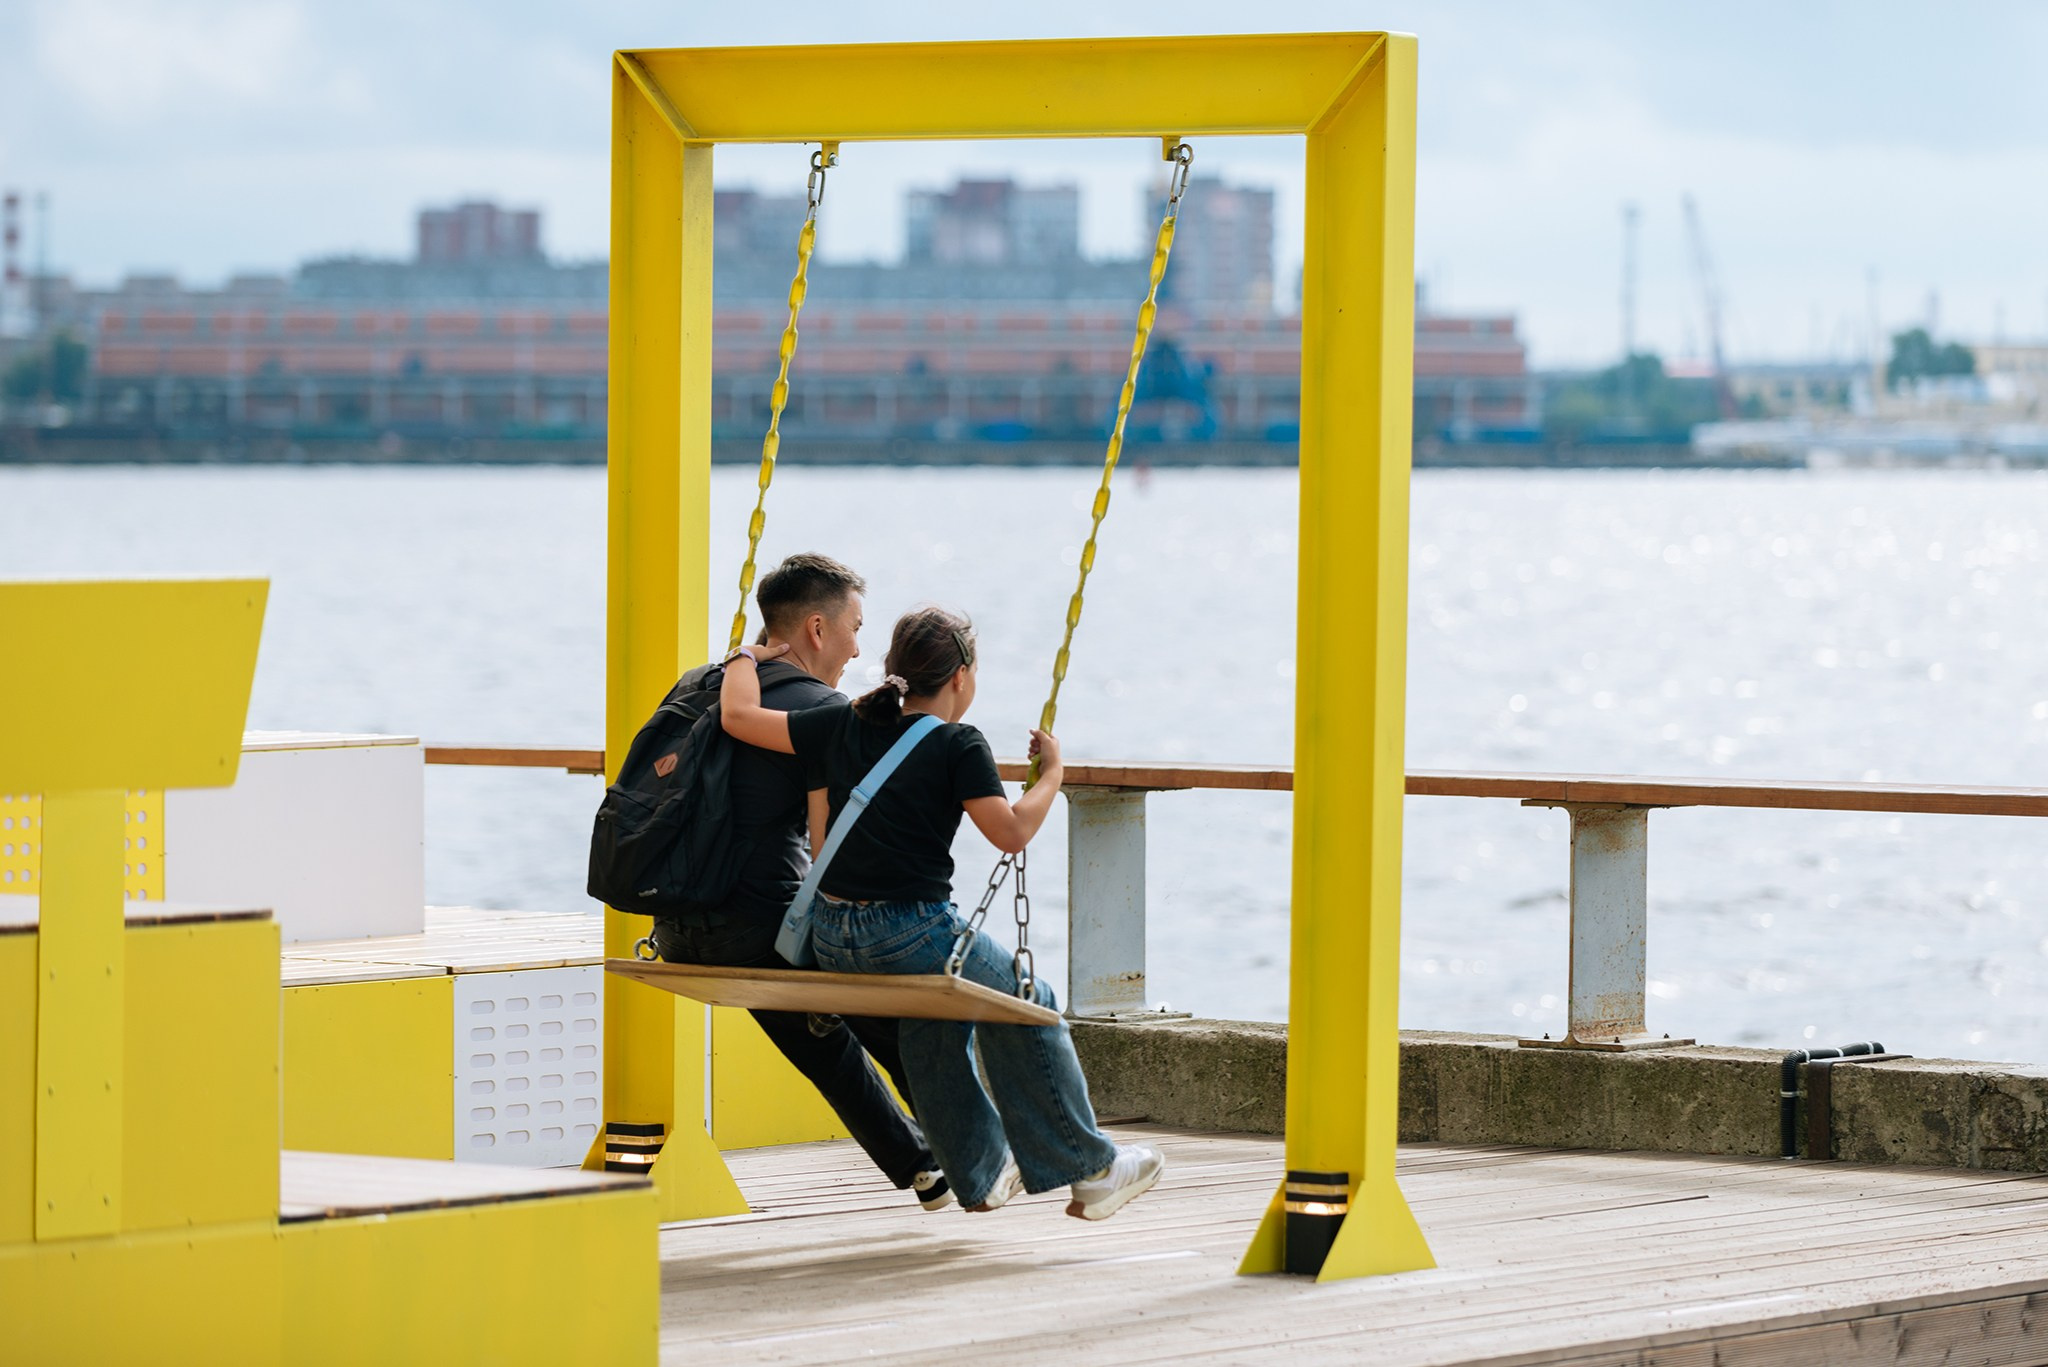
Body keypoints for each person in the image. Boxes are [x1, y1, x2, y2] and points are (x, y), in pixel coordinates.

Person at [719, 605, 1164, 1221]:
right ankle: (1093, 1169)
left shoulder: (840, 723)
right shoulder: (960, 744)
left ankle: (980, 1173)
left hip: (830, 936)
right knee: (1030, 1001)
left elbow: (738, 716)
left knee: (930, 1019)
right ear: (960, 677)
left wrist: (745, 656)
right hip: (907, 931)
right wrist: (1052, 776)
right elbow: (1010, 833)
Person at [648, 554, 950, 1212]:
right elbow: (839, 847)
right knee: (883, 999)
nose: (858, 649)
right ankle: (969, 1139)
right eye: (854, 628)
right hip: (758, 931)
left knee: (815, 1020)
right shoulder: (822, 709)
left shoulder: (701, 683)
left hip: (675, 931)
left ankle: (923, 1165)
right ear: (817, 628)